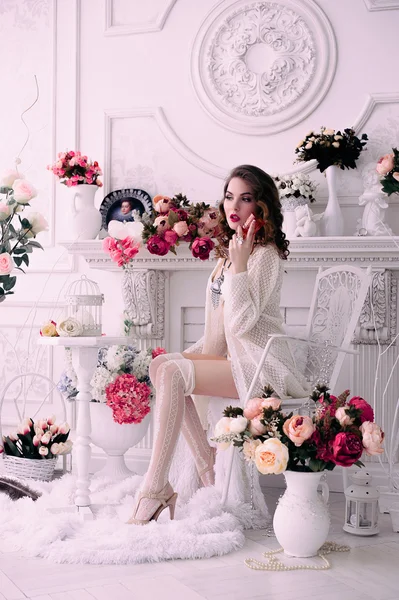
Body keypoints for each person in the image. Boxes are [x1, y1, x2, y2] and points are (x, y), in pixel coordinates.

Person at [128, 165, 310, 525]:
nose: (234, 206)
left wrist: (241, 267)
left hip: (261, 366)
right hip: (236, 360)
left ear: (262, 207)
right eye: (229, 197)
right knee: (162, 368)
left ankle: (155, 487)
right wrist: (181, 358)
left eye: (245, 198)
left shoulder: (264, 256)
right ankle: (205, 466)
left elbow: (241, 326)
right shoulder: (229, 254)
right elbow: (216, 334)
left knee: (172, 372)